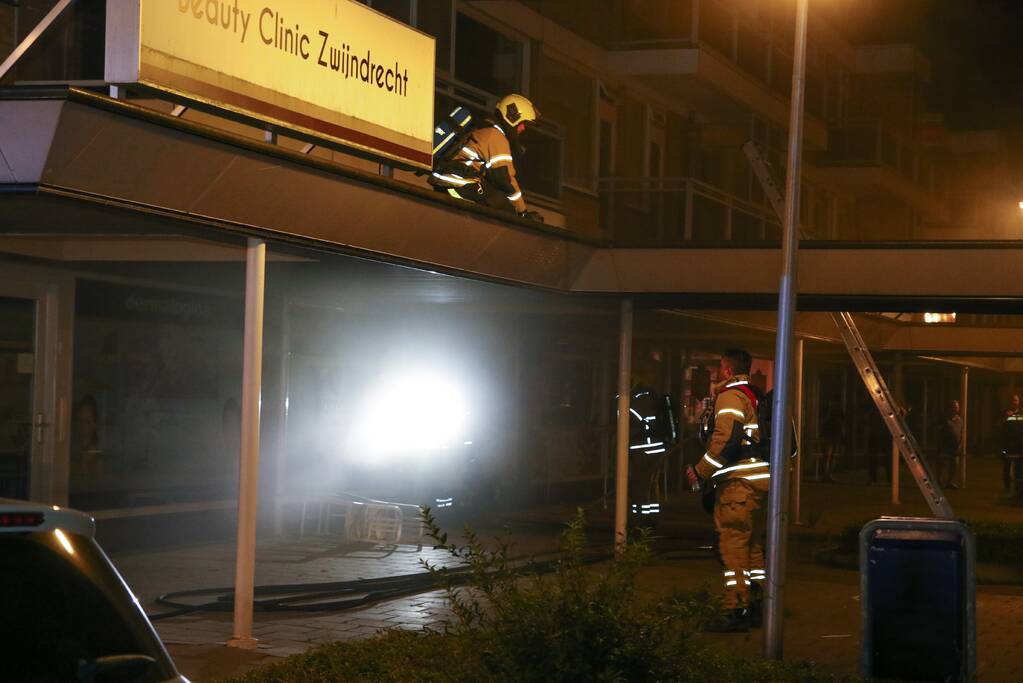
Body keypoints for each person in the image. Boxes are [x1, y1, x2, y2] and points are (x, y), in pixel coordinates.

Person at [686, 348, 768, 632]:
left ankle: (735, 608)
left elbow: (726, 439)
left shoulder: (730, 397)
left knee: (732, 547)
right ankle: (759, 604)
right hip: (759, 483)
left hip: (738, 485)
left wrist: (700, 470)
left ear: (726, 370)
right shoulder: (754, 395)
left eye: (720, 367)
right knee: (754, 547)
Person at [429, 94, 543, 220]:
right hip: (459, 181)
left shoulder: (485, 128)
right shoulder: (496, 136)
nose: (523, 128)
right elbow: (505, 180)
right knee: (504, 207)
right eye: (522, 123)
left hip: (447, 178)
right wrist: (522, 212)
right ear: (512, 117)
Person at [934, 400, 963, 490]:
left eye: (957, 407)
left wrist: (960, 444)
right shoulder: (944, 419)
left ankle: (949, 482)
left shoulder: (960, 420)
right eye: (954, 407)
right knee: (942, 464)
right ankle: (938, 481)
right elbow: (938, 431)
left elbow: (961, 432)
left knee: (954, 464)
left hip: (955, 446)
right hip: (944, 445)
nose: (956, 409)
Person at [1001, 395, 1023, 495]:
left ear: (1019, 402)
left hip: (1019, 448)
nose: (1014, 402)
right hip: (1008, 447)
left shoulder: (1021, 414)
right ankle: (1007, 488)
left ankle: (1018, 490)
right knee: (1007, 469)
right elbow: (1001, 429)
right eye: (1012, 400)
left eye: (1016, 400)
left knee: (1018, 470)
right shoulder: (1005, 413)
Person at [818, 401, 845, 483]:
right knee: (829, 457)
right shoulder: (833, 419)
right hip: (831, 438)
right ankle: (827, 475)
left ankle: (827, 475)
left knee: (830, 457)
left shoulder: (830, 419)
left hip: (832, 438)